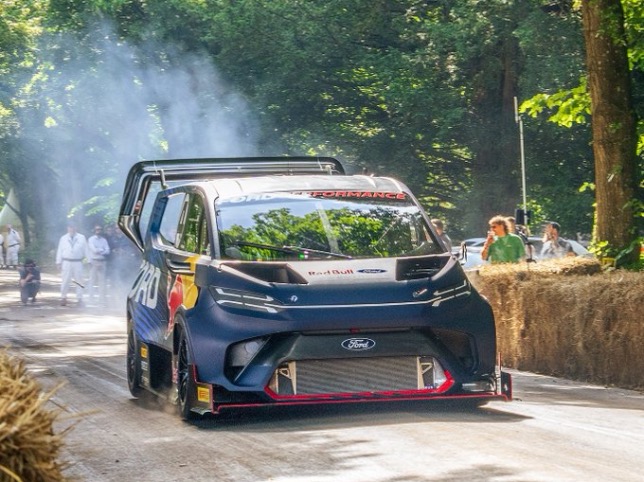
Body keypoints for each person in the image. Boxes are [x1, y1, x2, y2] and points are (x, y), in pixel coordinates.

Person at [55, 223, 89, 306]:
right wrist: (58, 262)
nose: (71, 229)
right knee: (65, 280)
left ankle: (79, 298)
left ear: (76, 228)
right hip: (66, 262)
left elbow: (86, 250)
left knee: (79, 281)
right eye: (70, 227)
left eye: (73, 227)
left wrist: (89, 261)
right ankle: (63, 297)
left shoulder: (81, 237)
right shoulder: (63, 238)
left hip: (78, 261)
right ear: (67, 228)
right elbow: (60, 250)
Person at [87, 224, 111, 304]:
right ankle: (91, 298)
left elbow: (108, 250)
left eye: (100, 229)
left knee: (102, 281)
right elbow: (94, 250)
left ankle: (101, 299)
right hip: (94, 261)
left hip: (102, 261)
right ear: (94, 230)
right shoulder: (91, 239)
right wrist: (102, 250)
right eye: (97, 229)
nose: (98, 231)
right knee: (92, 281)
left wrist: (99, 250)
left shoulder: (104, 240)